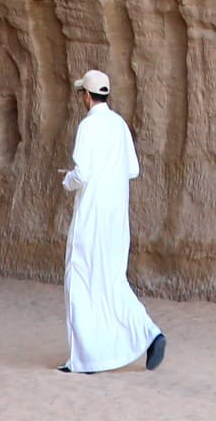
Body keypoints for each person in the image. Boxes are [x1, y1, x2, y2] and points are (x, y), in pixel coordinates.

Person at [58, 70, 167, 375]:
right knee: (113, 281)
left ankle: (85, 359)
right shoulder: (119, 125)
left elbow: (82, 173)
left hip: (91, 217)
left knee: (79, 280)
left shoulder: (88, 126)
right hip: (116, 221)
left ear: (87, 97)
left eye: (82, 94)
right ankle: (150, 333)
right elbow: (132, 169)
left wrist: (68, 181)